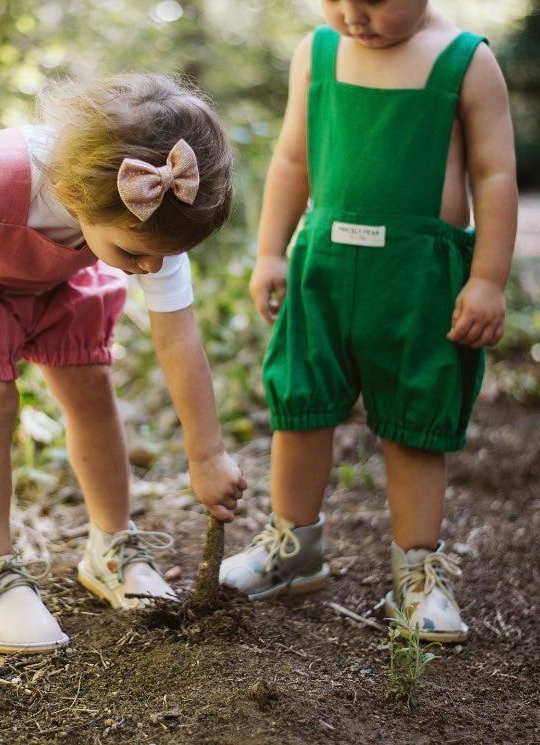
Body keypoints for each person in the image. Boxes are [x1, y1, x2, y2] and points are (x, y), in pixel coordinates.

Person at [0, 73, 247, 654]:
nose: (149, 269)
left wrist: (208, 455)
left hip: (62, 277)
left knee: (92, 389)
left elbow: (179, 341)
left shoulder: (154, 227)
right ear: (80, 193)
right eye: (136, 255)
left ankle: (111, 546)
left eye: (159, 259)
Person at [220, 0, 517, 642]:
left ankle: (417, 573)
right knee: (302, 404)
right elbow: (293, 159)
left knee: (414, 420)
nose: (353, 13)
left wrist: (487, 279)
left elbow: (494, 175)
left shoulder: (466, 61)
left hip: (417, 277)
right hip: (322, 266)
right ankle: (293, 547)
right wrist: (271, 250)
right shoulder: (317, 52)